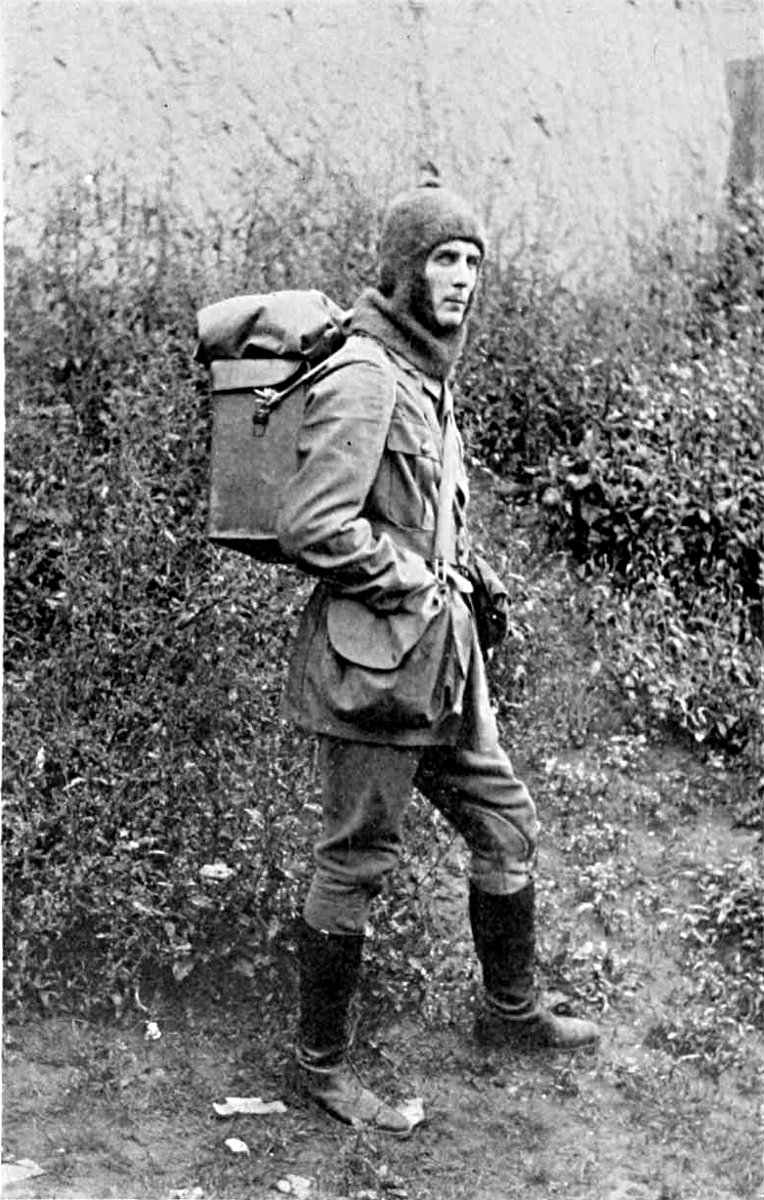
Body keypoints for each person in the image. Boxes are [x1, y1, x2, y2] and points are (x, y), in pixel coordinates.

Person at [276, 183, 599, 1134]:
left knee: (504, 821)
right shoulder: (368, 374)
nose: (461, 279)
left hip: (442, 661)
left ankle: (509, 1013)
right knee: (356, 859)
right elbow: (313, 524)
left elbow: (415, 510)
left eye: (472, 262)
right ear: (402, 270)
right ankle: (320, 1068)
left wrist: (465, 568)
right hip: (375, 667)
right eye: (443, 260)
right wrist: (414, 578)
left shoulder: (427, 376)